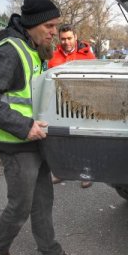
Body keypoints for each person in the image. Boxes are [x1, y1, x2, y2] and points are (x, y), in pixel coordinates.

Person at [0, 0, 82, 255]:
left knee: (43, 201)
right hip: (17, 143)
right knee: (21, 205)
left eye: (56, 26)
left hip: (36, 141)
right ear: (32, 24)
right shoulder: (9, 52)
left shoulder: (33, 49)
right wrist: (23, 126)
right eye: (50, 26)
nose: (54, 32)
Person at [48, 23, 96, 188]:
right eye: (63, 39)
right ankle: (61, 171)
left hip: (84, 103)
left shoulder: (88, 56)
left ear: (75, 37)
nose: (66, 42)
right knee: (62, 137)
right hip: (61, 105)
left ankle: (85, 172)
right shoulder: (53, 58)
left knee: (84, 138)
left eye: (69, 38)